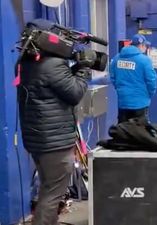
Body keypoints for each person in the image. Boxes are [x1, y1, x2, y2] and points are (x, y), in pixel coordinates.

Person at [17, 19, 90, 225]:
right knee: (52, 194)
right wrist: (84, 69)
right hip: (54, 143)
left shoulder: (29, 63)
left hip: (39, 139)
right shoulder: (53, 64)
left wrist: (74, 70)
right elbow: (75, 93)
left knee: (47, 189)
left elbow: (56, 88)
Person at [110, 34, 157, 123]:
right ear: (142, 46)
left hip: (123, 102)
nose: (146, 48)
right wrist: (148, 95)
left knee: (123, 131)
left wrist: (120, 90)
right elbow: (152, 81)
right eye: (146, 46)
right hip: (140, 103)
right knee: (140, 132)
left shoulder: (116, 59)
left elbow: (112, 77)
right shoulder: (145, 60)